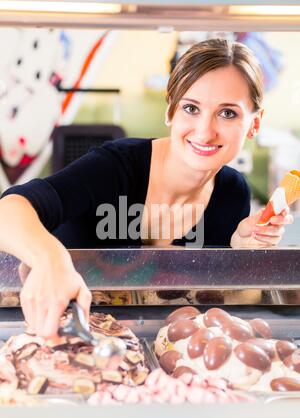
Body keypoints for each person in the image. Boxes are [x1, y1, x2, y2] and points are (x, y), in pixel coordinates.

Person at [0, 38, 293, 338]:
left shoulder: (232, 194)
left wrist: (240, 253)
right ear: (170, 112)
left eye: (228, 113)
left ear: (255, 124)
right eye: (191, 108)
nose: (205, 131)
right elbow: (8, 210)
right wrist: (51, 259)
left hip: (153, 350)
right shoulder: (114, 167)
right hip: (62, 335)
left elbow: (205, 304)